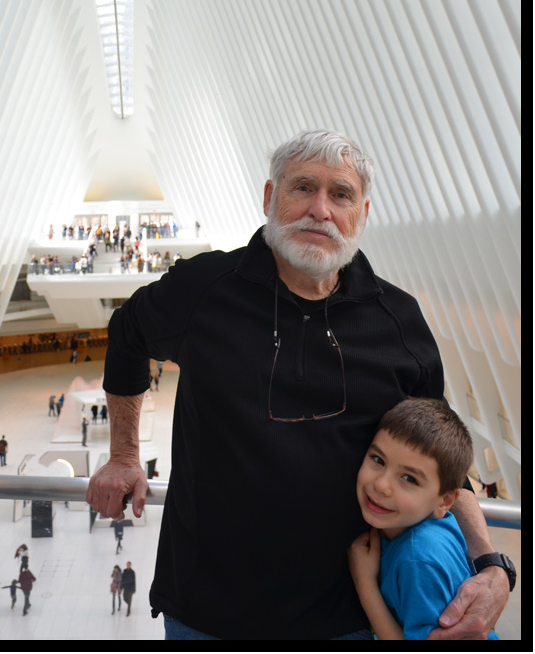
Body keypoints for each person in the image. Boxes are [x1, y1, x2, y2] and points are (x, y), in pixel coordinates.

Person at [86, 128, 512, 640]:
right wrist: (124, 455)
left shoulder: (397, 319)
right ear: (270, 196)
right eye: (303, 187)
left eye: (341, 195)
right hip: (209, 614)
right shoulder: (204, 290)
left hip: (345, 620)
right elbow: (127, 334)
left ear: (362, 214)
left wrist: (490, 563)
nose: (320, 210)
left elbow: (440, 454)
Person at [347, 399, 502, 640]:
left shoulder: (418, 558)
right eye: (378, 460)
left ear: (444, 502)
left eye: (409, 478)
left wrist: (365, 584)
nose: (381, 485)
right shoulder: (421, 527)